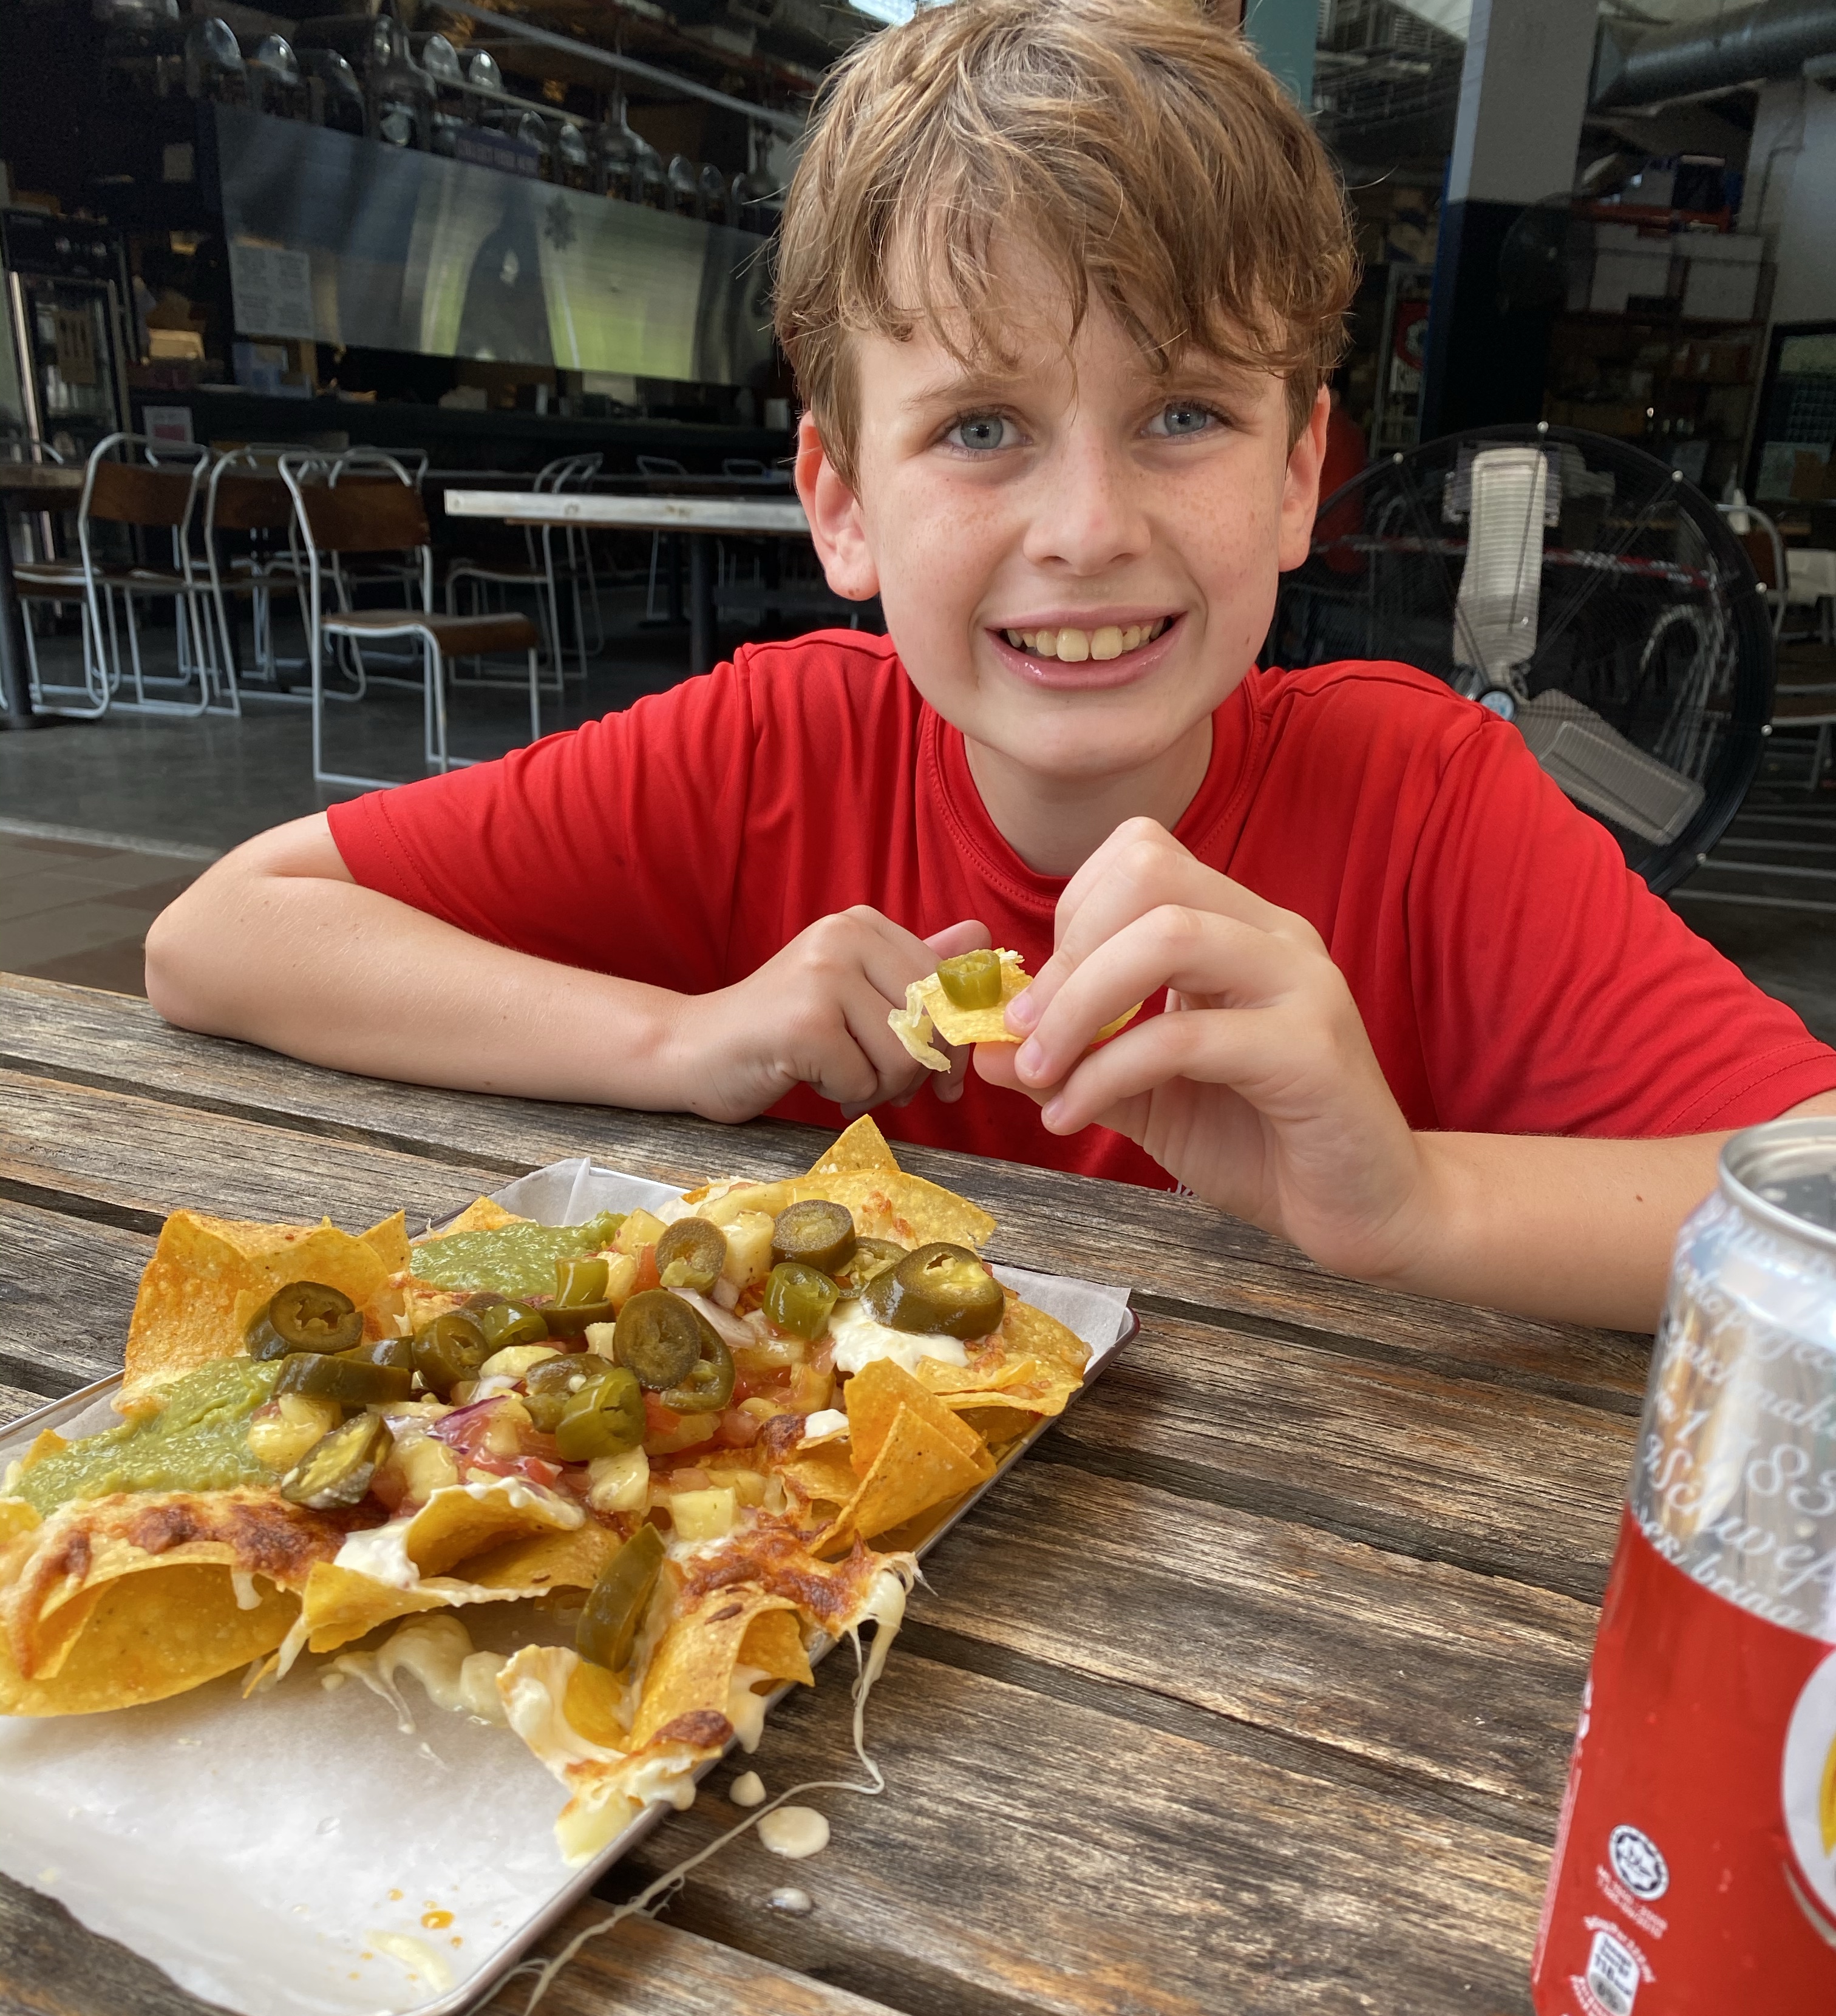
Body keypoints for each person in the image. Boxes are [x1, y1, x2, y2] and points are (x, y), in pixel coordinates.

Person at [146, 0, 1836, 1332]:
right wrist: (682, 1039)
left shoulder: (1427, 802)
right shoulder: (772, 751)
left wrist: (1412, 1202)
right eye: (979, 427)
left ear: (1299, 474)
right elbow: (220, 936)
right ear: (843, 502)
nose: (1087, 528)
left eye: (1185, 412)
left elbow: (1813, 1196)